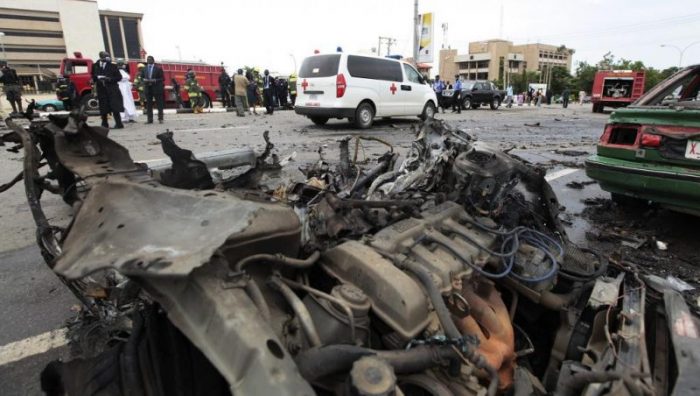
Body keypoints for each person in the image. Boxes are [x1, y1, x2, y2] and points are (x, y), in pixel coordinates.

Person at [91, 51, 124, 129]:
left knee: (115, 106)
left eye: (108, 56)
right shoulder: (95, 66)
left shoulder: (113, 66)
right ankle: (104, 123)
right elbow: (93, 76)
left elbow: (119, 77)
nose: (107, 58)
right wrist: (94, 79)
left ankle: (119, 124)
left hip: (112, 89)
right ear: (101, 57)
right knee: (103, 107)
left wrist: (109, 79)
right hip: (101, 89)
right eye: (105, 56)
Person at [141, 55, 165, 124]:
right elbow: (141, 77)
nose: (148, 60)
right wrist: (144, 80)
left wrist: (154, 80)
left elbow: (162, 78)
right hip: (148, 88)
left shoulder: (158, 69)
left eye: (150, 59)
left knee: (159, 104)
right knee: (149, 105)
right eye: (147, 59)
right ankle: (149, 120)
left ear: (153, 60)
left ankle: (160, 118)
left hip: (157, 88)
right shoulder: (144, 69)